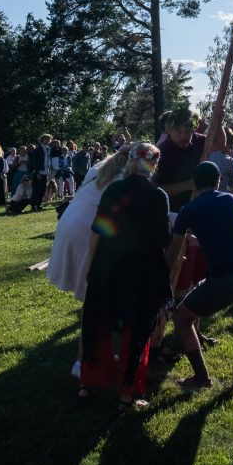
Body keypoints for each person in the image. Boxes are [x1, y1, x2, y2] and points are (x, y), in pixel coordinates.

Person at [80, 142, 170, 411]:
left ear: (131, 162)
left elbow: (98, 229)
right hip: (141, 268)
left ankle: (89, 382)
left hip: (108, 263)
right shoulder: (157, 195)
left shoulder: (115, 189)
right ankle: (127, 394)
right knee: (137, 327)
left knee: (99, 321)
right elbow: (162, 239)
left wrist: (91, 264)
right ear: (153, 165)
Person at [168, 161, 233, 391]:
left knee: (182, 319)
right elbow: (225, 233)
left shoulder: (188, 211)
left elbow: (174, 252)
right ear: (218, 181)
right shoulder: (231, 200)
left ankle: (201, 378)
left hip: (226, 279)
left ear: (194, 183)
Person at [48, 147, 130, 378]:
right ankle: (82, 362)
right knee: (94, 301)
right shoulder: (125, 177)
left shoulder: (99, 168)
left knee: (96, 298)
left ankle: (97, 353)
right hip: (87, 232)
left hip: (70, 226)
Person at [155, 106, 225, 211]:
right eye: (178, 132)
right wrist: (187, 185)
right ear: (169, 130)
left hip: (196, 207)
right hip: (170, 211)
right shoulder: (161, 152)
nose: (183, 136)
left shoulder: (198, 140)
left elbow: (219, 145)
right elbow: (155, 190)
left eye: (187, 132)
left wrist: (219, 123)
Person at [30, 134, 52, 211]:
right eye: (46, 139)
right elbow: (34, 162)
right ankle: (33, 206)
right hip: (39, 172)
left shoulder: (48, 149)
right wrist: (37, 172)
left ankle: (38, 205)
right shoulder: (37, 149)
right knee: (36, 190)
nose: (47, 140)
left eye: (49, 139)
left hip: (46, 172)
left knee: (42, 190)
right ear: (42, 140)